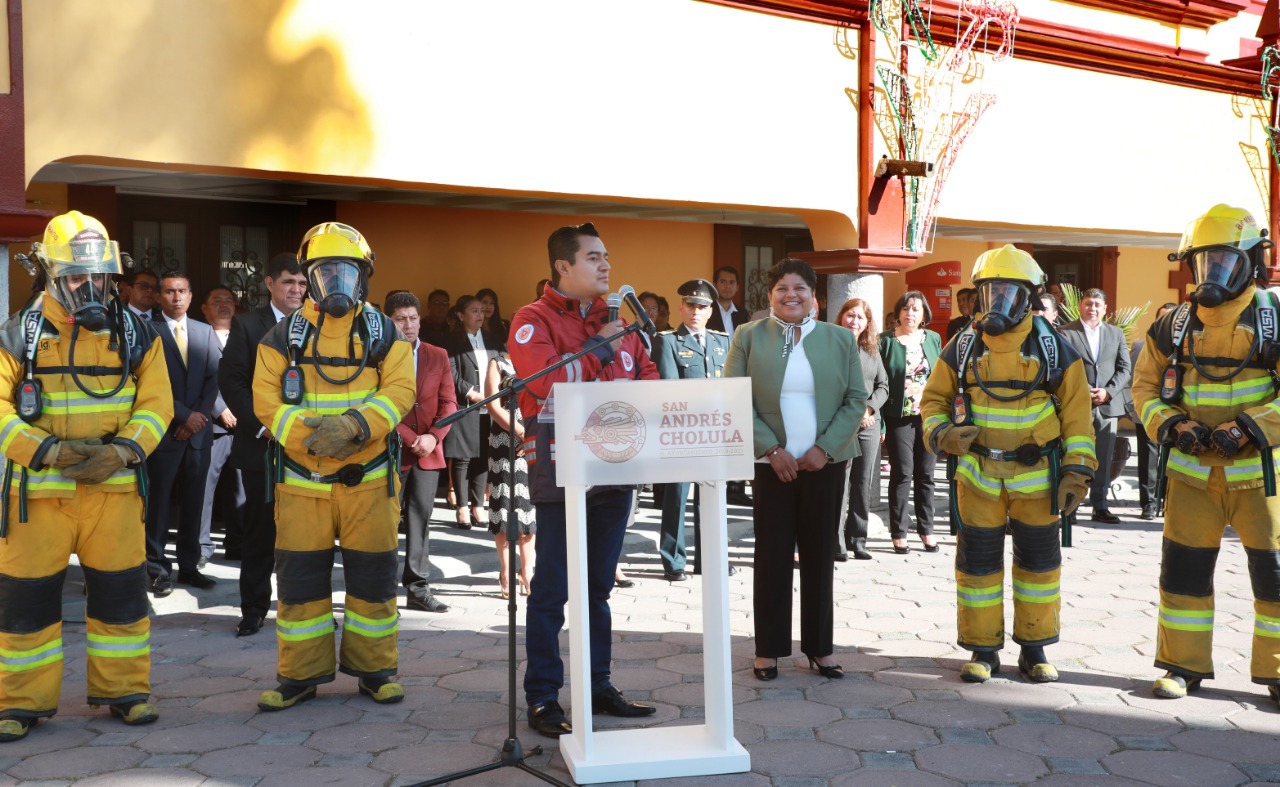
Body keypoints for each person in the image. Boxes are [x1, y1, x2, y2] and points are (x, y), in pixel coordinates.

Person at [0, 211, 173, 741]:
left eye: (98, 277)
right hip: (39, 499)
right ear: (52, 274)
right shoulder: (17, 333)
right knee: (26, 606)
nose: (90, 286)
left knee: (122, 600)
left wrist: (124, 451)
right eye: (78, 276)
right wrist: (45, 450)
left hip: (114, 494)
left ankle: (126, 693)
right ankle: (20, 704)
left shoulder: (137, 331)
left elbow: (157, 404)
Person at [252, 222, 414, 711]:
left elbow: (400, 391)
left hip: (369, 483)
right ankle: (299, 676)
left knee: (374, 581)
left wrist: (356, 428)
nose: (336, 282)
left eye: (347, 271)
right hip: (303, 484)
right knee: (300, 588)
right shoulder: (280, 338)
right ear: (309, 277)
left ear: (363, 277)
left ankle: (375, 671)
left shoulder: (383, 333)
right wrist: (316, 438)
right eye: (326, 272)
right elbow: (265, 401)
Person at [509, 221, 659, 737]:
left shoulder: (618, 322)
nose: (605, 266)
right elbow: (545, 382)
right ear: (563, 267)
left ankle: (598, 686)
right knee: (552, 589)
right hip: (560, 468)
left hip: (617, 469)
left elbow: (648, 379)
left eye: (607, 257)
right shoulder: (532, 319)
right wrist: (598, 346)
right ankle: (544, 697)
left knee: (597, 588)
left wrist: (613, 347)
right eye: (594, 258)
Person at [921, 245, 1097, 684]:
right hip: (978, 478)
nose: (996, 301)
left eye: (1007, 292)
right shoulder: (961, 346)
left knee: (1038, 568)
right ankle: (983, 650)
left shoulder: (1056, 349)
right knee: (977, 566)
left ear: (1028, 297)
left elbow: (1077, 417)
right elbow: (933, 402)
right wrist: (941, 432)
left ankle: (1034, 650)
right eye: (989, 292)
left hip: (1038, 480)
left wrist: (1077, 470)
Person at [1133, 204, 1280, 705]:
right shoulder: (1172, 325)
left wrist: (1250, 428)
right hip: (1193, 474)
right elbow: (1144, 388)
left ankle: (1277, 673)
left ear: (1249, 262)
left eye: (1221, 262)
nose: (1209, 274)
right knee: (1183, 576)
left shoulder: (1275, 318)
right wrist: (1172, 424)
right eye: (1202, 263)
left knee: (1276, 579)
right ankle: (1181, 666)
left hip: (1262, 477)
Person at [728, 258, 866, 682]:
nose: (791, 295)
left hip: (824, 464)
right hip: (773, 465)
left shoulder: (840, 339)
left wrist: (824, 449)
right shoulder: (749, 336)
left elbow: (855, 399)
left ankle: (820, 648)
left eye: (800, 288)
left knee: (820, 555)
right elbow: (733, 395)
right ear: (770, 296)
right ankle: (768, 650)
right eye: (782, 289)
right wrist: (771, 448)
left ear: (814, 298)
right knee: (771, 555)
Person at [218, 252, 307, 638]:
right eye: (290, 282)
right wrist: (262, 427)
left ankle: (307, 607)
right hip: (263, 447)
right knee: (259, 534)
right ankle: (253, 610)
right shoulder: (247, 325)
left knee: (308, 535)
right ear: (270, 284)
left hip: (308, 450)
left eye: (303, 284)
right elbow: (232, 382)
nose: (297, 290)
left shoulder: (318, 325)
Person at [144, 272, 220, 596]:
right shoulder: (148, 330)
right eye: (169, 292)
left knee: (194, 502)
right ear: (159, 296)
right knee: (159, 503)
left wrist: (198, 417)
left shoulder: (205, 332)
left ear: (191, 296)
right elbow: (147, 382)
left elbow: (216, 377)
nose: (176, 298)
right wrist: (183, 416)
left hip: (198, 434)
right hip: (163, 431)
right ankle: (156, 569)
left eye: (182, 292)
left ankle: (190, 566)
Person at [653, 279, 730, 581]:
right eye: (691, 306)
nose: (696, 311)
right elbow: (669, 389)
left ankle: (709, 558)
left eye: (702, 307)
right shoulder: (668, 341)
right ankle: (673, 560)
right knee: (677, 497)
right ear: (681, 308)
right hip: (682, 432)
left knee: (711, 496)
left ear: (710, 311)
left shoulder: (721, 341)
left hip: (714, 432)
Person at [388, 291, 456, 614]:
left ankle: (418, 587)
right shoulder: (378, 354)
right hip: (392, 451)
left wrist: (432, 437)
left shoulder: (438, 355)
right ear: (389, 321)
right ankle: (384, 592)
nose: (409, 324)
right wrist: (409, 435)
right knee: (386, 522)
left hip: (429, 452)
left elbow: (449, 404)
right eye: (401, 319)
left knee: (421, 520)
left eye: (413, 318)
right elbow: (375, 403)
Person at [1059, 288, 1131, 524]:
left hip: (1107, 406)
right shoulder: (1066, 332)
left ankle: (1100, 506)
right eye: (1088, 303)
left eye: (1097, 304)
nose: (1092, 308)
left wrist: (1108, 391)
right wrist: (1085, 390)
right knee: (1074, 455)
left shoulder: (1116, 333)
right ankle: (1070, 507)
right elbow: (1061, 367)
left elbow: (1124, 369)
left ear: (1105, 309)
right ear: (1080, 306)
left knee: (1104, 457)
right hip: (1077, 405)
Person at [879, 290, 943, 553]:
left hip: (927, 417)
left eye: (916, 309)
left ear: (924, 314)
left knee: (926, 475)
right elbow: (879, 384)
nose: (910, 313)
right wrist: (881, 423)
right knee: (903, 473)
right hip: (898, 418)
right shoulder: (886, 341)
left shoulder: (934, 339)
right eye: (905, 308)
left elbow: (941, 377)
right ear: (898, 313)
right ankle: (899, 531)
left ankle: (926, 530)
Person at [833, 297, 888, 561]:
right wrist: (854, 414)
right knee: (839, 482)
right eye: (850, 315)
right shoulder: (830, 346)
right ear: (842, 316)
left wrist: (868, 410)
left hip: (868, 424)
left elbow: (883, 386)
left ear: (867, 323)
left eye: (860, 318)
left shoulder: (872, 349)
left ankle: (858, 538)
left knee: (862, 482)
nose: (854, 321)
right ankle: (836, 542)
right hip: (840, 423)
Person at [443, 294, 499, 529]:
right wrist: (473, 395)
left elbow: (501, 367)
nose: (480, 314)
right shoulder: (451, 341)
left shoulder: (492, 339)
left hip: (491, 405)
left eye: (481, 310)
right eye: (474, 310)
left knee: (483, 457)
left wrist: (494, 396)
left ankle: (478, 506)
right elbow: (451, 373)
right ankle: (462, 507)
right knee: (463, 457)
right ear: (460, 315)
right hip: (467, 406)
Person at [199, 286, 245, 564]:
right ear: (204, 308)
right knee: (205, 488)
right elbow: (198, 379)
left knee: (242, 489)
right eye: (217, 301)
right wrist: (221, 410)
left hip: (243, 426)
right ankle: (202, 546)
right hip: (212, 427)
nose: (224, 305)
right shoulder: (197, 335)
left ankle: (237, 543)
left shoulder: (244, 337)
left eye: (229, 300)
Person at [484, 351, 536, 598]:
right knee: (504, 506)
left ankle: (528, 572)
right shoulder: (498, 362)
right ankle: (505, 571)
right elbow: (492, 404)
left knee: (528, 507)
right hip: (505, 440)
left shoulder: (538, 357)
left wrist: (532, 434)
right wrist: (520, 432)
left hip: (534, 434)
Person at [1125, 302, 1177, 520]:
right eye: (1161, 318)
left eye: (1170, 318)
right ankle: (1148, 503)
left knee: (1172, 457)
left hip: (1178, 412)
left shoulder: (1188, 346)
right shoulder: (1139, 346)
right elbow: (1133, 379)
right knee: (1147, 457)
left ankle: (1168, 501)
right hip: (1148, 409)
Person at [708, 265, 751, 505]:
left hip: (737, 380)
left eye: (732, 282)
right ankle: (716, 484)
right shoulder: (706, 311)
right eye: (723, 282)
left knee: (737, 433)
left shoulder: (742, 314)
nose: (727, 286)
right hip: (713, 380)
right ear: (716, 285)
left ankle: (736, 488)